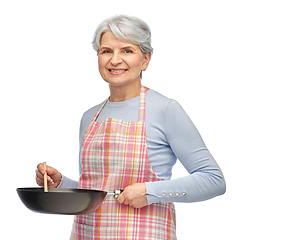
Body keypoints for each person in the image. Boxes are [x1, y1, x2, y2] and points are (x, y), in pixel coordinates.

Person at [35, 15, 226, 240]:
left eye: (127, 50)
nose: (115, 60)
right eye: (106, 51)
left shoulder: (165, 109)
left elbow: (214, 180)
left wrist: (150, 192)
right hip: (86, 234)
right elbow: (100, 191)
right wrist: (62, 184)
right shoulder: (90, 117)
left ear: (146, 59)